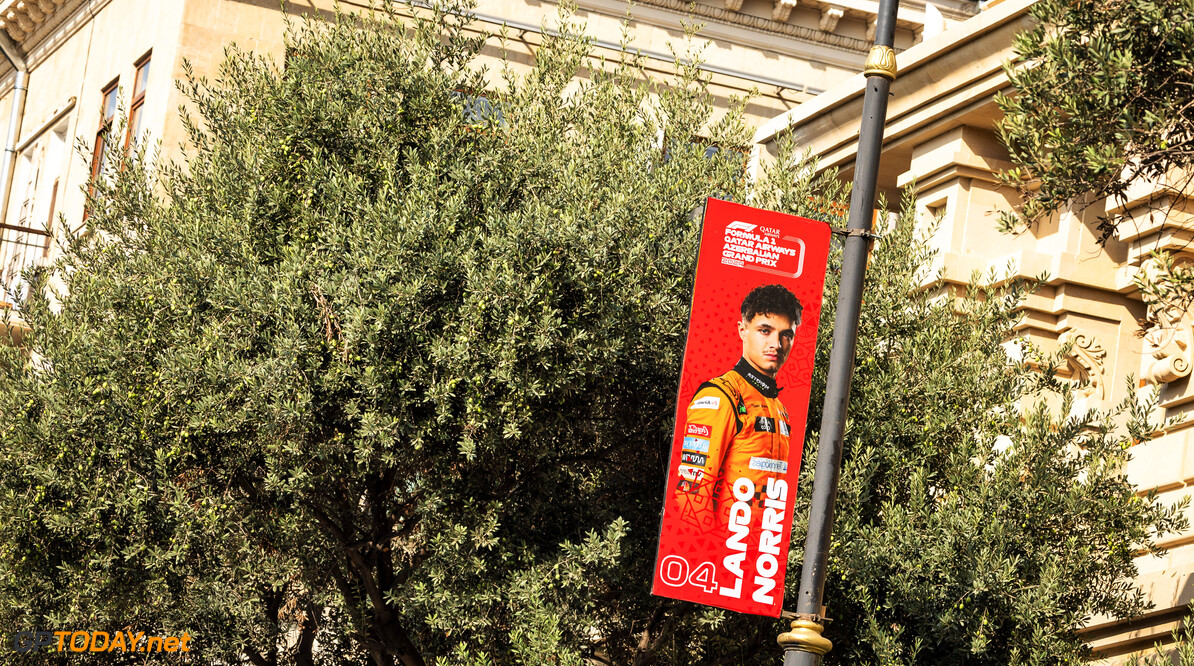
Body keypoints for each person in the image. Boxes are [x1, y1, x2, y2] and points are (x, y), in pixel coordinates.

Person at [674, 284, 802, 530]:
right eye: (765, 330)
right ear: (742, 330)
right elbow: (690, 495)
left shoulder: (778, 407)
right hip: (724, 556)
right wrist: (710, 555)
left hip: (760, 557)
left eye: (786, 335)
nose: (776, 343)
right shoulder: (720, 396)